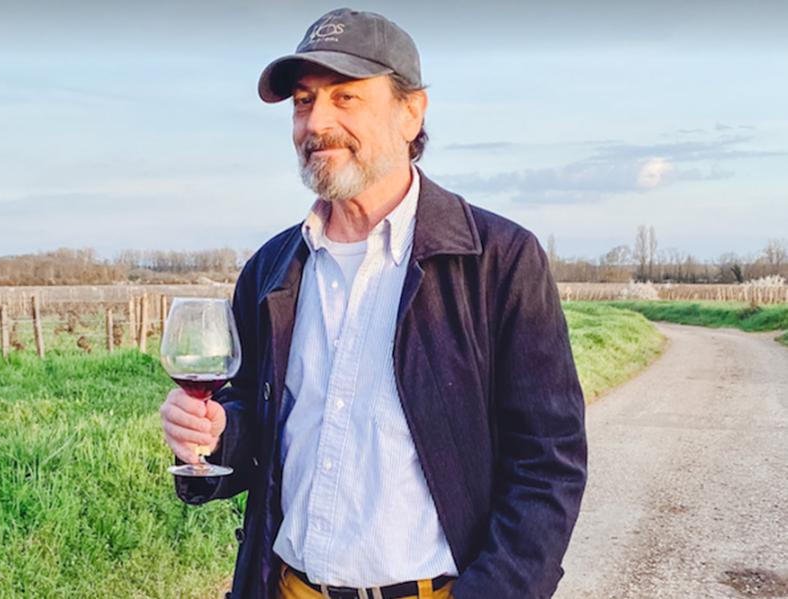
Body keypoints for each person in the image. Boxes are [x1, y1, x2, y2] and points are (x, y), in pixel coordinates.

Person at [159, 8, 588, 599]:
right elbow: (260, 424)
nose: (317, 122)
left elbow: (548, 466)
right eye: (304, 102)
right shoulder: (272, 268)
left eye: (346, 97)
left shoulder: (498, 261)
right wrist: (214, 432)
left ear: (412, 111)